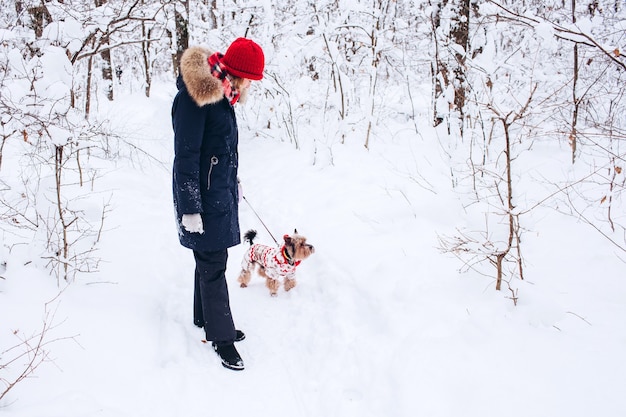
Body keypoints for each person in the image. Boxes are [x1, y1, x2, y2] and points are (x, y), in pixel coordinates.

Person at [171, 38, 265, 371]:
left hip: (217, 192)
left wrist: (231, 178)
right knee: (213, 266)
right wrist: (190, 208)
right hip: (202, 200)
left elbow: (218, 149)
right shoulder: (196, 98)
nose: (250, 85)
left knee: (209, 259)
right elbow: (186, 156)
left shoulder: (223, 96)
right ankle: (221, 338)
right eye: (248, 78)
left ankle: (204, 319)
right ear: (235, 73)